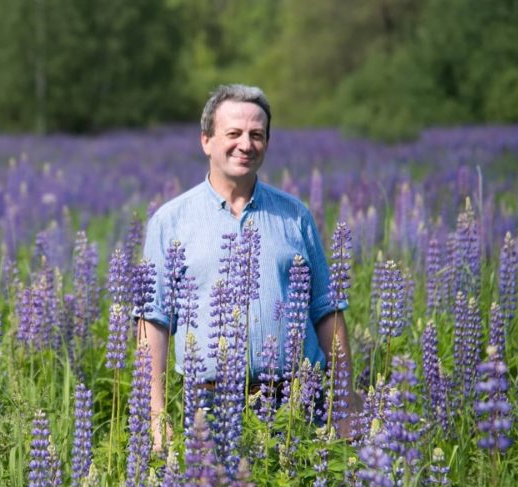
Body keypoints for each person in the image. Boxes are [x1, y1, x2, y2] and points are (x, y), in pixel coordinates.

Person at [138, 83, 361, 449]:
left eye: (256, 135)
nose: (246, 144)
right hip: (210, 402)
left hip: (299, 401)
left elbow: (327, 311)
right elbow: (154, 321)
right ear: (206, 141)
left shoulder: (295, 216)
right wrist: (155, 415)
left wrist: (345, 401)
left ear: (267, 144)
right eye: (234, 133)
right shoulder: (171, 221)